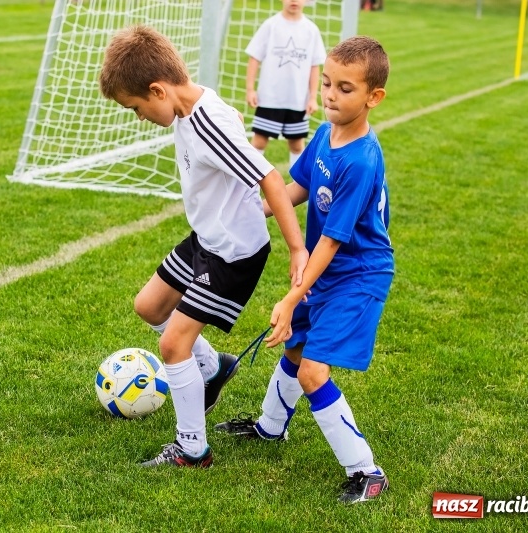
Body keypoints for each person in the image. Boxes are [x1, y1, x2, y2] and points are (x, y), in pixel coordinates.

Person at [98, 25, 308, 468]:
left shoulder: (207, 123)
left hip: (233, 252)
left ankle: (192, 448)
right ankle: (213, 368)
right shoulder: (189, 105)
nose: (139, 117)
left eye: (136, 108)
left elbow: (270, 179)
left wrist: (296, 249)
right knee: (149, 306)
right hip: (207, 237)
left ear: (158, 90)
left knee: (174, 345)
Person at [216, 36, 394, 503]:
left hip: (358, 275)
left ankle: (367, 472)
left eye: (345, 88)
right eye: (328, 83)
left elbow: (332, 240)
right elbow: (299, 186)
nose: (331, 95)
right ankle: (270, 427)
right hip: (327, 267)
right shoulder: (324, 133)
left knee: (313, 370)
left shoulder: (360, 160)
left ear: (374, 97)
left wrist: (292, 295)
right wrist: (256, 211)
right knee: (295, 346)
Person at [245, 0, 326, 168]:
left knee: (296, 144)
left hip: (297, 100)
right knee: (259, 141)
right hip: (270, 98)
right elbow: (254, 57)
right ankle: (248, 180)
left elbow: (314, 66)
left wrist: (312, 97)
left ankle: (297, 182)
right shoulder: (271, 25)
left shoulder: (311, 30)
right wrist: (250, 89)